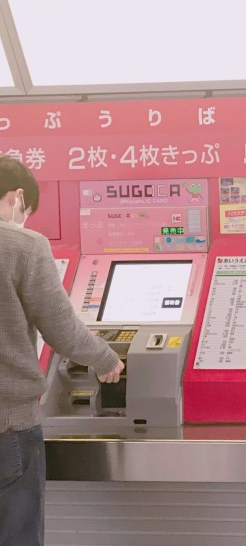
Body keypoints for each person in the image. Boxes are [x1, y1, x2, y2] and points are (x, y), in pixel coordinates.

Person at [0, 156, 123, 546]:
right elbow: (63, 332)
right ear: (18, 197)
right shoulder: (23, 246)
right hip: (7, 425)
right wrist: (106, 359)